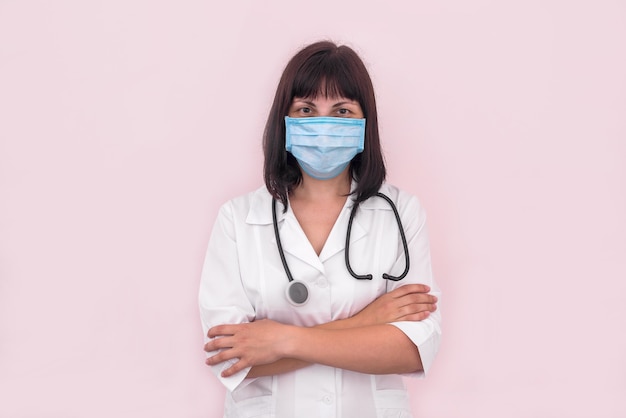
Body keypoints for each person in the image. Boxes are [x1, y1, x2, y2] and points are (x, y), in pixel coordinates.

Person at [199, 40, 442, 418]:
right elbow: (230, 359)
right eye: (307, 109)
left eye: (342, 110)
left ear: (365, 122)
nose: (324, 125)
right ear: (286, 120)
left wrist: (280, 338)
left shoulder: (400, 212)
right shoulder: (238, 218)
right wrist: (367, 322)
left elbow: (410, 348)